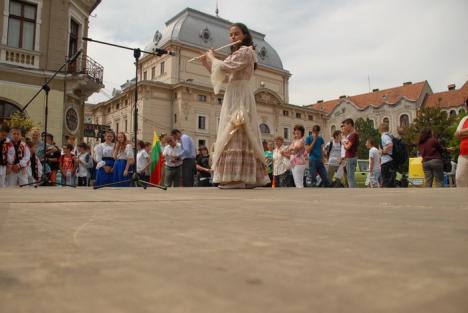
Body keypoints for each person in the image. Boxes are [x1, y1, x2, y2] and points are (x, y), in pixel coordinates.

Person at [200, 22, 269, 189]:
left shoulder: (246, 51)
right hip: (233, 93)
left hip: (239, 95)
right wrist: (206, 63)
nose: (233, 37)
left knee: (236, 129)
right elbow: (223, 77)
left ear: (244, 35)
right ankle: (245, 177)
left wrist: (211, 57)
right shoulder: (239, 53)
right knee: (238, 131)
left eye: (236, 34)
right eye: (231, 35)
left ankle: (236, 179)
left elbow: (224, 66)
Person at [342, 119, 359, 188]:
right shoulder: (353, 135)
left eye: (345, 125)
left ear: (350, 125)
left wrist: (343, 142)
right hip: (352, 157)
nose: (344, 127)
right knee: (350, 177)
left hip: (350, 157)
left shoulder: (353, 135)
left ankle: (353, 192)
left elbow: (347, 147)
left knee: (350, 177)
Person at [379, 123, 396, 187]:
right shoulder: (389, 136)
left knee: (386, 182)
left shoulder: (384, 136)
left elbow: (390, 145)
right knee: (390, 182)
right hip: (390, 161)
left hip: (386, 162)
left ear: (380, 129)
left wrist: (383, 152)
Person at [455, 114, 468, 187]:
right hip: (464, 155)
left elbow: (459, 133)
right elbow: (456, 134)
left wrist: (462, 132)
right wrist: (460, 133)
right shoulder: (465, 119)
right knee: (459, 178)